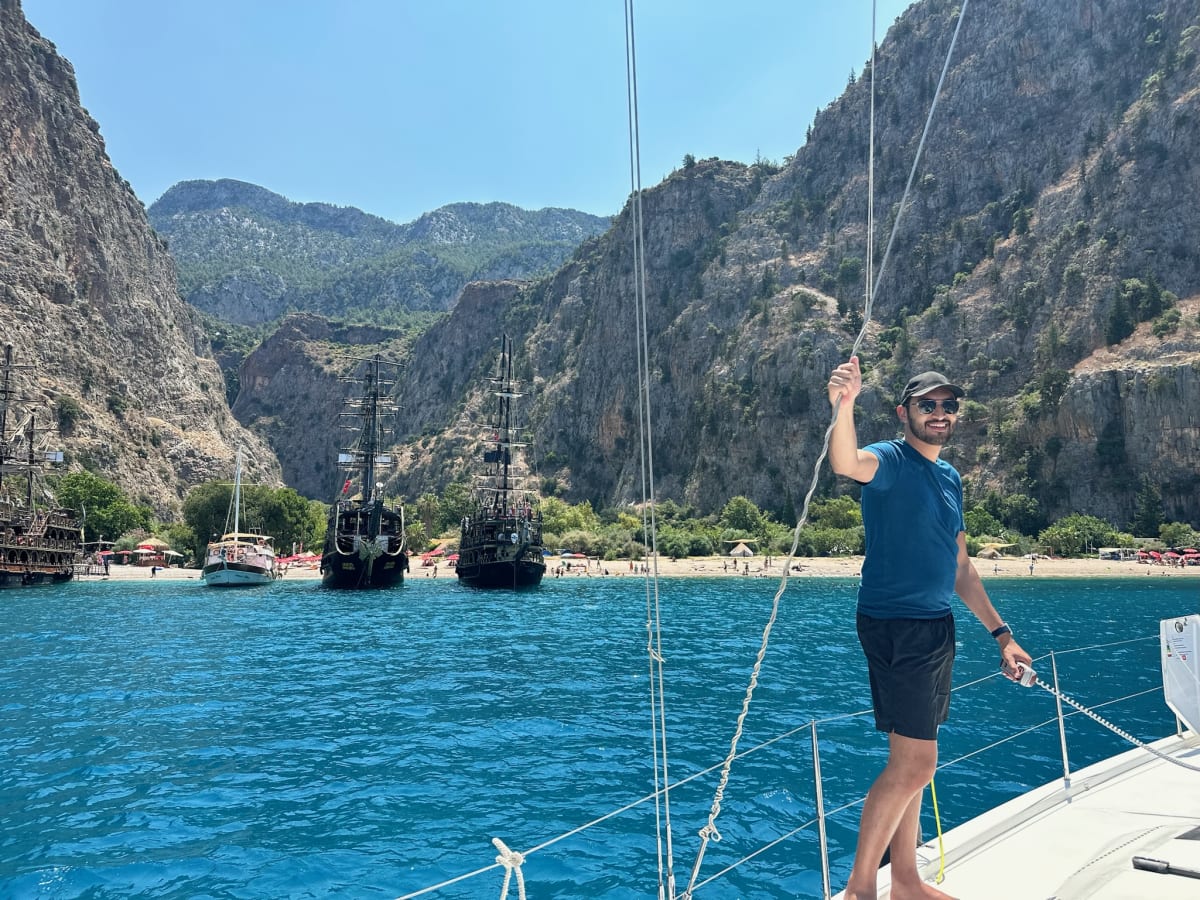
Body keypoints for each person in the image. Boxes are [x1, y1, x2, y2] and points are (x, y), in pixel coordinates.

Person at [826, 356, 1032, 900]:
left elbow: (960, 564)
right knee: (917, 763)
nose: (940, 413)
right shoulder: (891, 461)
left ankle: (908, 882)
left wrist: (1002, 635)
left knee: (911, 763)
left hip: (936, 626)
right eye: (928, 405)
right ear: (905, 412)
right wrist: (844, 404)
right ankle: (859, 889)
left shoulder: (949, 477)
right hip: (897, 625)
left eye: (948, 405)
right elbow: (846, 463)